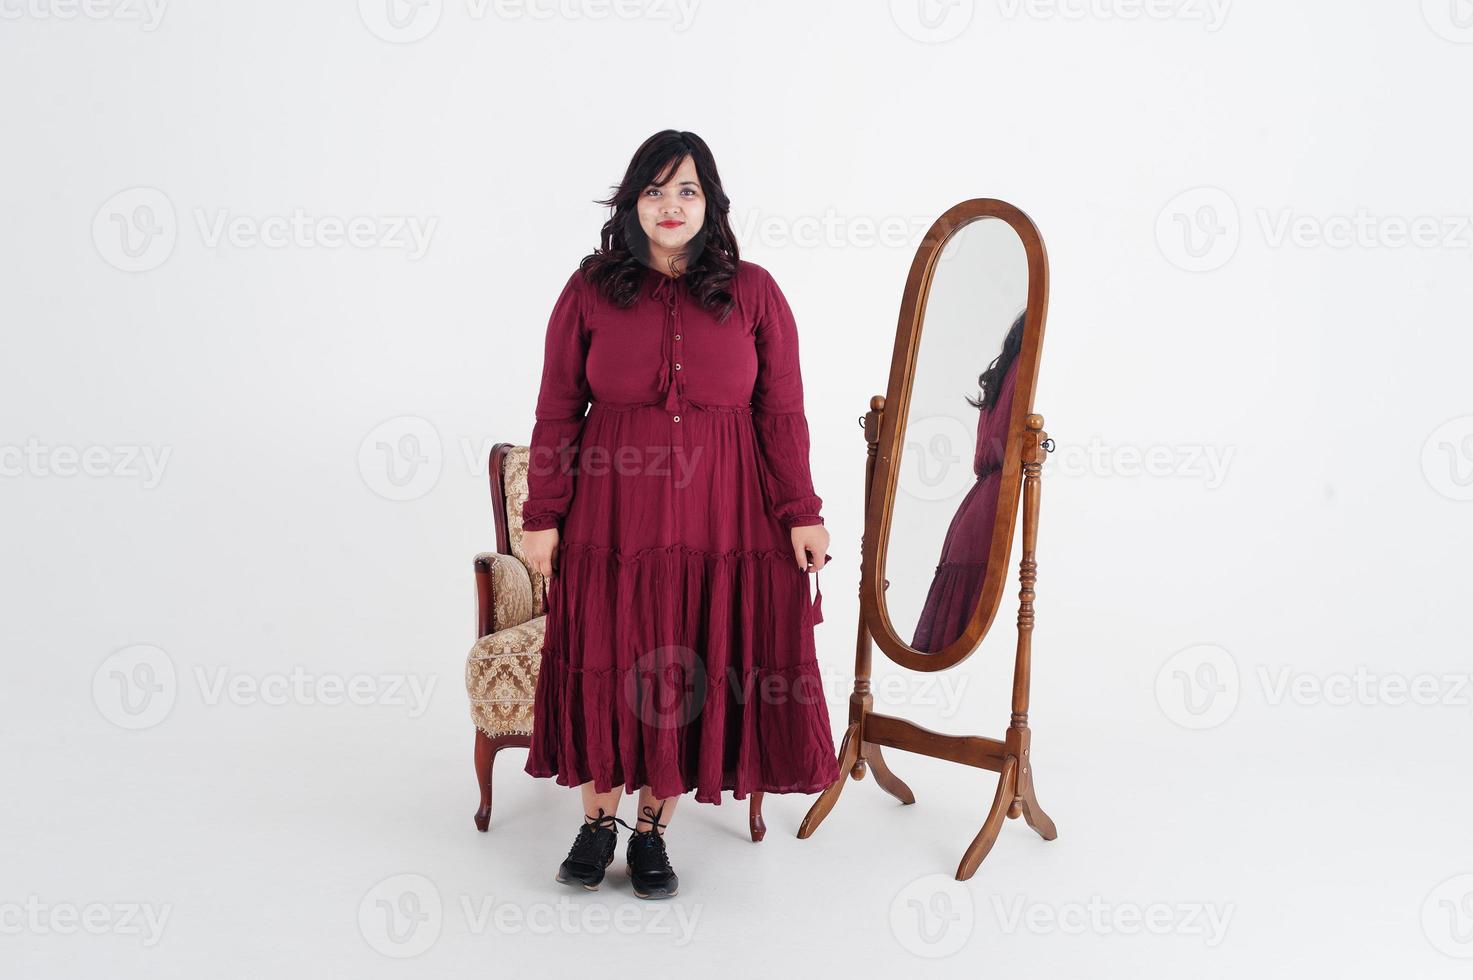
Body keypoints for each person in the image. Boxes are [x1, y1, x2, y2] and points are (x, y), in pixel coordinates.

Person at [519, 129, 839, 899]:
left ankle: (654, 832)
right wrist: (542, 513)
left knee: (683, 660)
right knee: (608, 655)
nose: (671, 205)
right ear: (632, 201)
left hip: (723, 520)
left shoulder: (755, 291)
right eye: (656, 190)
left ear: (710, 205)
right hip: (612, 517)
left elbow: (781, 413)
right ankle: (597, 825)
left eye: (687, 190)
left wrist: (801, 510)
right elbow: (558, 410)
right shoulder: (590, 288)